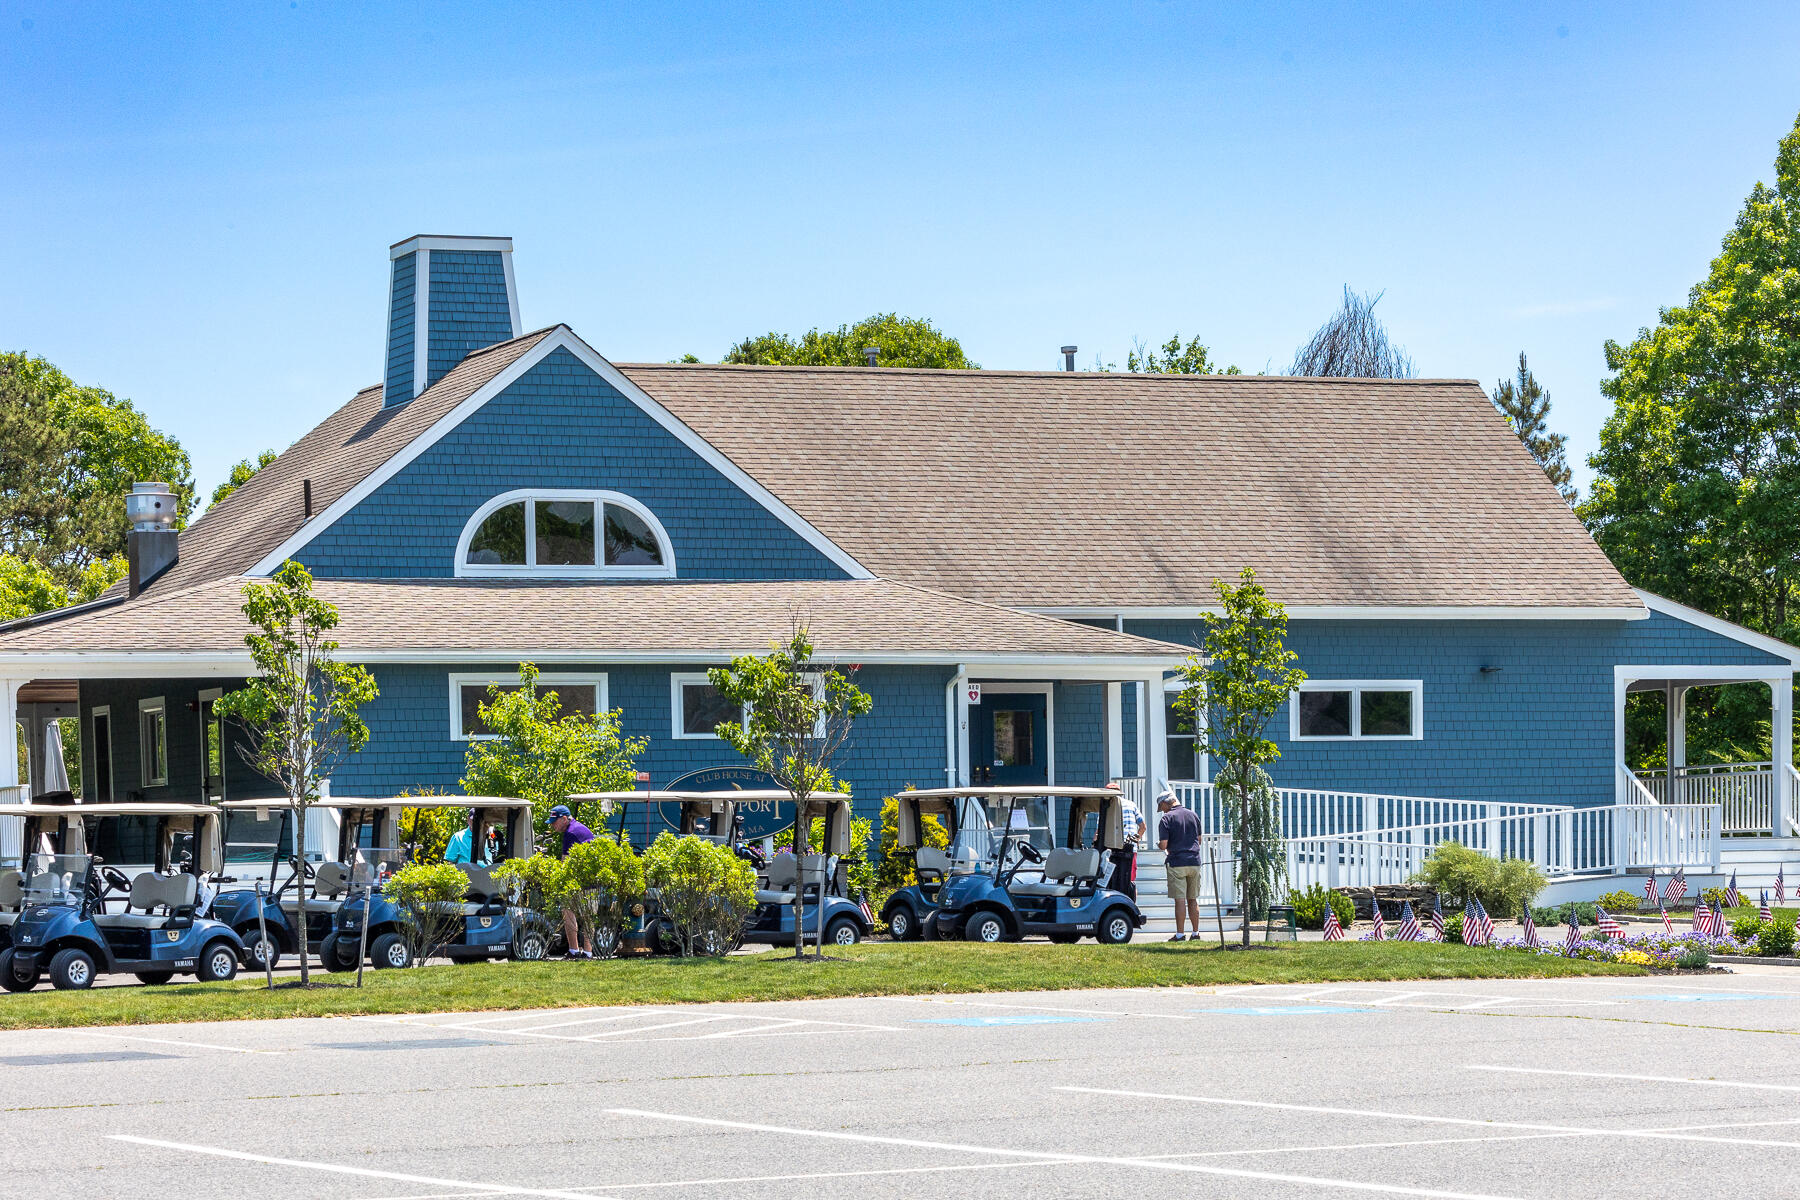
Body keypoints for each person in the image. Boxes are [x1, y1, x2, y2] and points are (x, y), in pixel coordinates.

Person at [548, 804, 595, 958]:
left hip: (578, 882)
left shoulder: (570, 833)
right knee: (588, 916)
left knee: (568, 912)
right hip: (591, 880)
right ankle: (587, 952)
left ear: (564, 819)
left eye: (554, 822)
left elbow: (565, 863)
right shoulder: (580, 828)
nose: (553, 825)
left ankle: (574, 951)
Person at [1157, 787, 1203, 942]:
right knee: (1193, 899)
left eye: (1161, 807)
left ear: (1166, 803)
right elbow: (1199, 840)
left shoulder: (1166, 819)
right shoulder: (1193, 815)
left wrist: (1159, 845)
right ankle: (1195, 933)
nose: (1162, 811)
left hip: (1177, 862)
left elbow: (1164, 845)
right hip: (1194, 861)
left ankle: (1180, 934)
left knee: (1180, 900)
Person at [1106, 788, 1143, 900]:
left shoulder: (1106, 806)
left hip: (1111, 849)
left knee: (1111, 881)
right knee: (1130, 881)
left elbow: (1099, 832)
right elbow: (1143, 826)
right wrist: (1136, 839)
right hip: (1130, 849)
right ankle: (1131, 905)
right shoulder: (1131, 805)